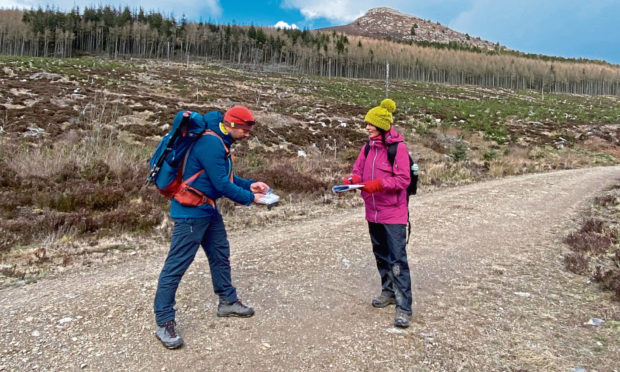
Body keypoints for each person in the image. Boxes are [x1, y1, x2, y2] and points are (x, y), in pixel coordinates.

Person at [154, 105, 270, 349]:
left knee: (220, 254)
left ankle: (227, 301)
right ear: (231, 125)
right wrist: (252, 199)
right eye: (245, 130)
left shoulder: (221, 140)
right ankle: (164, 322)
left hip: (207, 209)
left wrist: (250, 185)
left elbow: (224, 177)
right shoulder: (211, 143)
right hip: (190, 213)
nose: (248, 135)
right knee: (176, 266)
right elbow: (221, 184)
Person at [343, 99, 413, 328]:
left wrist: (377, 185)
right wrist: (352, 181)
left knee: (397, 260)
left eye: (370, 124)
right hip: (373, 212)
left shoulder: (398, 148)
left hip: (393, 213)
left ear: (382, 126)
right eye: (366, 124)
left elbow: (403, 179)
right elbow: (357, 171)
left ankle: (404, 307)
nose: (366, 127)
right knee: (381, 255)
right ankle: (388, 291)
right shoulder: (368, 147)